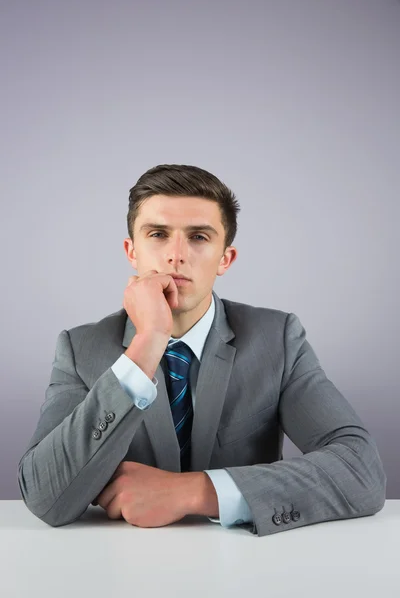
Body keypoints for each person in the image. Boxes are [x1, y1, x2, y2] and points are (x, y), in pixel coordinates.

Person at [17, 163, 386, 537]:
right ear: (132, 251)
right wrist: (147, 343)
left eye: (198, 237)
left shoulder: (278, 339)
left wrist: (194, 491)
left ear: (225, 258)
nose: (176, 255)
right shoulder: (80, 348)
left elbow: (361, 469)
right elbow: (46, 497)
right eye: (158, 234)